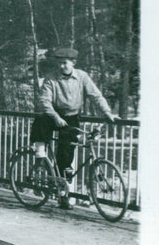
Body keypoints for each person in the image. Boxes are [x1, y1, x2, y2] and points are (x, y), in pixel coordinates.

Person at [30, 47, 118, 210]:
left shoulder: (82, 77)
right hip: (53, 115)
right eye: (59, 63)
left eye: (64, 63)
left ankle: (63, 196)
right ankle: (40, 154)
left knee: (66, 154)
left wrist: (107, 113)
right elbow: (45, 101)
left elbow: (96, 96)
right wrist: (56, 117)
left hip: (71, 117)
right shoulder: (51, 79)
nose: (61, 66)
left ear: (73, 63)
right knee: (41, 119)